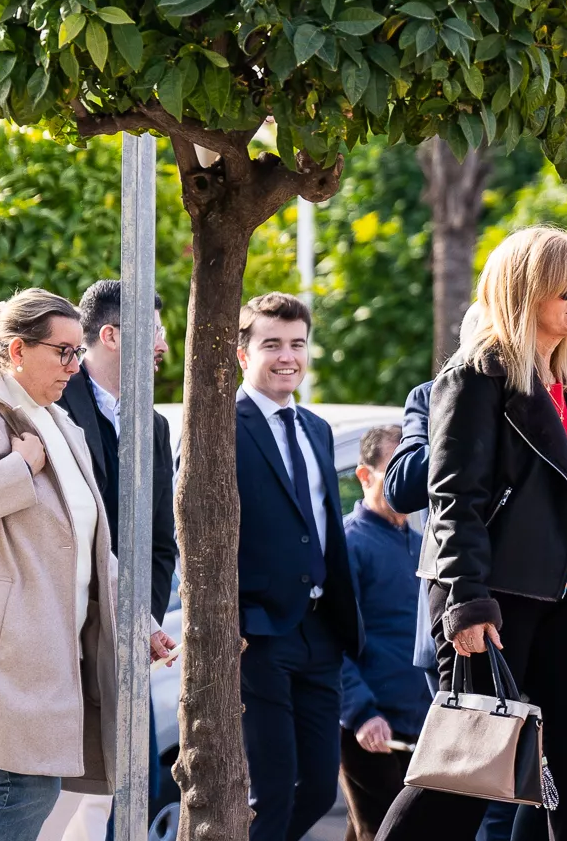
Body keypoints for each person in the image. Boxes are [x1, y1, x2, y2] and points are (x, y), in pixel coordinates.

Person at [375, 227, 567, 841]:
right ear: (527, 290)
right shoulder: (476, 377)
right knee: (464, 778)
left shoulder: (561, 383)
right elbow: (452, 499)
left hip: (557, 601)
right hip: (491, 598)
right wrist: (467, 600)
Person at [0, 289, 160, 841]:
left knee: (9, 790)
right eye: (64, 352)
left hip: (47, 650)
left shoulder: (59, 425)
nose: (76, 364)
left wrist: (141, 622)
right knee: (26, 788)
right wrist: (17, 470)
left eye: (78, 351)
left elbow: (94, 546)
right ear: (18, 350)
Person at [234, 292, 360, 841]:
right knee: (273, 787)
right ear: (244, 355)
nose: (287, 357)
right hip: (259, 631)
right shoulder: (221, 425)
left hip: (321, 631)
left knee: (319, 789)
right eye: (272, 345)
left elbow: (323, 527)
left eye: (297, 344)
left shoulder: (316, 428)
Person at [58, 279, 178, 614]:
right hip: (63, 622)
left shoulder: (155, 426)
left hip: (126, 632)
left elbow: (160, 543)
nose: (162, 345)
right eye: (154, 330)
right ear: (110, 336)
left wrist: (142, 621)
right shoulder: (52, 408)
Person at [338, 425, 428, 841]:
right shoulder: (347, 544)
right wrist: (360, 713)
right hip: (369, 725)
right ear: (364, 475)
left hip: (421, 724)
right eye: (394, 469)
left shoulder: (425, 543)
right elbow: (331, 640)